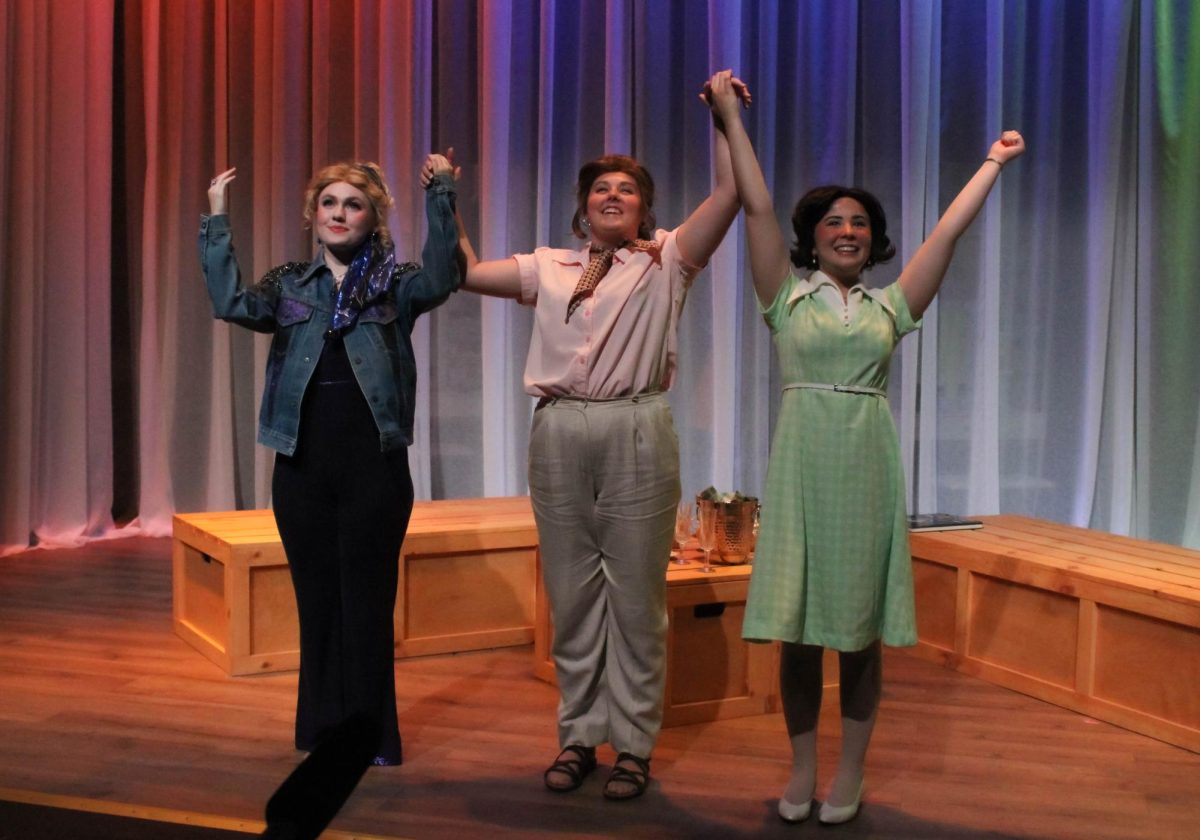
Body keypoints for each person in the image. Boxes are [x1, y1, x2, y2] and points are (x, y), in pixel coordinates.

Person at [709, 76, 1024, 824]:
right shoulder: (783, 295)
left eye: (859, 222)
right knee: (795, 634)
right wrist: (727, 119)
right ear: (812, 235)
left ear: (871, 238)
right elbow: (754, 204)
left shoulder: (892, 305)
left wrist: (991, 163)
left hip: (865, 463)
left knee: (854, 633)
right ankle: (802, 770)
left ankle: (849, 774)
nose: (847, 230)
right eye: (833, 222)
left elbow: (945, 236)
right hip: (801, 461)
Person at [443, 70, 748, 800]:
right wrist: (442, 201)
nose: (613, 196)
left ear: (644, 207)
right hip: (558, 430)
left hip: (635, 424)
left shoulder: (666, 259)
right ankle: (580, 735)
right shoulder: (546, 266)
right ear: (583, 208)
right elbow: (459, 274)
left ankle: (635, 744)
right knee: (573, 594)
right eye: (601, 189)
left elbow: (733, 197)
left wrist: (723, 120)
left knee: (636, 595)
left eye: (628, 189)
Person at [199, 154, 462, 767]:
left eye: (354, 204)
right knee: (317, 602)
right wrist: (216, 220)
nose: (340, 213)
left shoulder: (398, 284)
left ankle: (371, 735)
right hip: (302, 470)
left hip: (374, 468)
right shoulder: (290, 284)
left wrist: (441, 193)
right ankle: (321, 728)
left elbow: (447, 275)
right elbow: (230, 304)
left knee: (367, 604)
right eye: (330, 203)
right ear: (312, 215)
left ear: (373, 218)